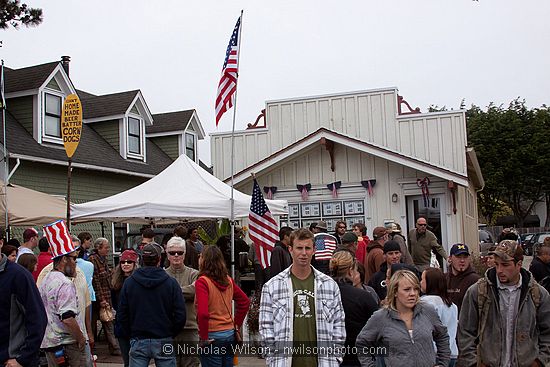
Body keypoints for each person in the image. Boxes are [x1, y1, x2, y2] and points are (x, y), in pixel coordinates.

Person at [260, 228, 346, 367]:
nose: (304, 253)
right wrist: (272, 358)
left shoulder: (329, 285)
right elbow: (266, 327)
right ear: (290, 250)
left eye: (308, 248)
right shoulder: (272, 286)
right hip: (284, 362)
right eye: (299, 248)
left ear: (314, 250)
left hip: (323, 362)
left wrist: (336, 358)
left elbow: (339, 325)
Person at [458, 240, 550, 366]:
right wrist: (473, 363)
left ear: (519, 264)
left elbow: (547, 333)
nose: (499, 270)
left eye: (505, 265)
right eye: (496, 264)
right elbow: (465, 332)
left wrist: (539, 361)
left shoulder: (538, 294)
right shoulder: (478, 292)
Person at [356, 269, 450, 367]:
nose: (413, 293)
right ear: (395, 292)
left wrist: (443, 364)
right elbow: (362, 344)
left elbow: (442, 336)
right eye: (407, 289)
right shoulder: (381, 317)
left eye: (416, 289)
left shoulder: (427, 311)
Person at [118, 243, 186, 367]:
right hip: (162, 336)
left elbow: (122, 314)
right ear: (159, 259)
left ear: (142, 260)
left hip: (139, 338)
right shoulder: (171, 283)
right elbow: (180, 314)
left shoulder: (130, 283)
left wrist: (131, 334)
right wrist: (170, 332)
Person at [39, 221, 88, 367]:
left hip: (50, 343)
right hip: (67, 345)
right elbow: (67, 318)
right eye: (73, 258)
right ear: (64, 259)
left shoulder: (46, 279)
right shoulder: (65, 283)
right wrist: (80, 338)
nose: (76, 262)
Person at [195, 245, 250, 367]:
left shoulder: (202, 282)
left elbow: (203, 313)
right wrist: (236, 325)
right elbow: (245, 302)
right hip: (229, 334)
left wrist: (203, 338)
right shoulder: (228, 280)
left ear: (204, 260)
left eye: (201, 256)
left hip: (212, 335)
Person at [0, 244, 47, 367]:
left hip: (11, 360)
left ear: (0, 243)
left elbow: (38, 319)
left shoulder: (19, 276)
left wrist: (22, 358)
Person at [330, 250, 378, 366]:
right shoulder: (363, 297)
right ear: (350, 271)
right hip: (358, 357)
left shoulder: (321, 295)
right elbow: (378, 328)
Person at [164, 237, 200, 367]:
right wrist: (185, 292)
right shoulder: (162, 274)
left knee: (191, 364)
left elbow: (195, 291)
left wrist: (170, 292)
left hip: (190, 328)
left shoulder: (194, 274)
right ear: (167, 254)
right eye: (172, 252)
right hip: (168, 330)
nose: (176, 255)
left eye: (179, 252)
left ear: (184, 254)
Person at [89, 237, 120, 355]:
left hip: (106, 295)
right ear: (98, 248)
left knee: (108, 321)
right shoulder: (93, 260)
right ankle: (111, 347)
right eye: (106, 247)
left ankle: (113, 347)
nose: (108, 249)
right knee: (104, 323)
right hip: (100, 298)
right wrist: (102, 299)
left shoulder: (103, 259)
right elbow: (96, 281)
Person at [421, 268, 458, 367]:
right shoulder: (452, 305)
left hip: (435, 354)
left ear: (430, 282)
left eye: (422, 279)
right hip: (452, 353)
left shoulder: (426, 302)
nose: (420, 282)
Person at [111, 249, 138, 367]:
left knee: (136, 359)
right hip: (122, 325)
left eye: (129, 262)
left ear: (134, 264)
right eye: (123, 262)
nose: (126, 264)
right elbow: (114, 302)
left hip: (136, 325)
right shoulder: (116, 282)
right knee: (126, 360)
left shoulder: (138, 281)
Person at [444, 243, 479, 315]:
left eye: (465, 257)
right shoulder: (444, 279)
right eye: (458, 257)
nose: (462, 260)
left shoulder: (475, 280)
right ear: (450, 258)